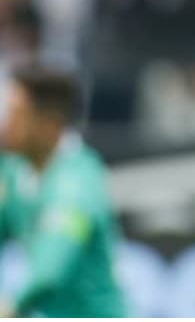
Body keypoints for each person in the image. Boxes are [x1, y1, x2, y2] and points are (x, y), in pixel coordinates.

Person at [0, 65, 127, 317]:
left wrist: (11, 307)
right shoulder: (14, 171)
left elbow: (49, 272)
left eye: (16, 114)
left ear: (50, 124)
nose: (5, 123)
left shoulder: (76, 184)